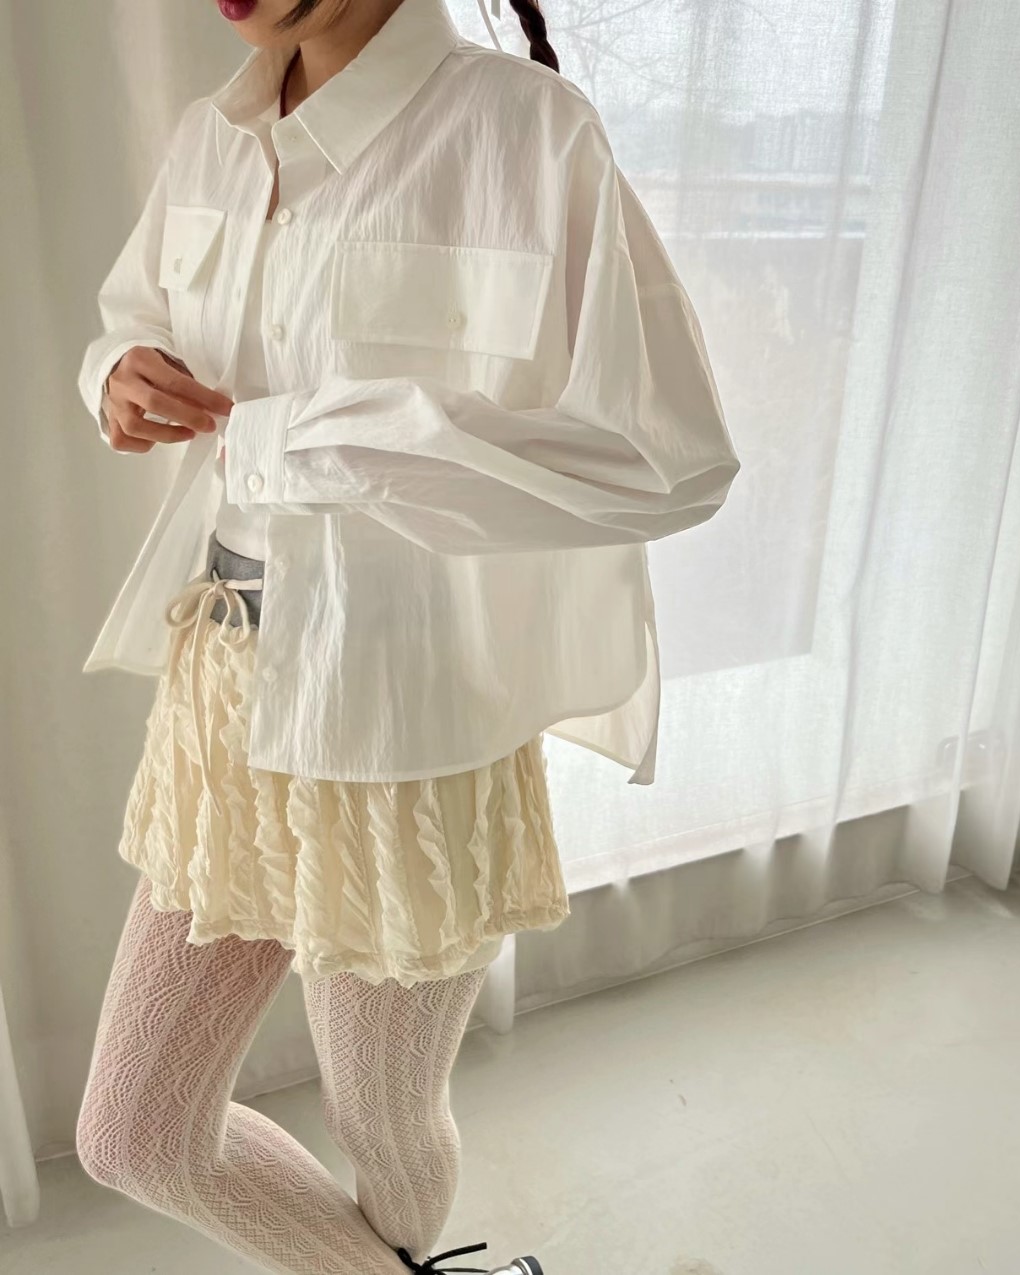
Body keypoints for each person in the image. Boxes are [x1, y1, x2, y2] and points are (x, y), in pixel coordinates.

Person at [73, 0, 741, 1271]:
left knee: (383, 1121)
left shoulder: (527, 132)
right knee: (135, 1135)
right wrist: (113, 371)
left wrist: (323, 436)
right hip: (220, 691)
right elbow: (130, 312)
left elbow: (673, 457)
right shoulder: (213, 135)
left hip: (409, 718)